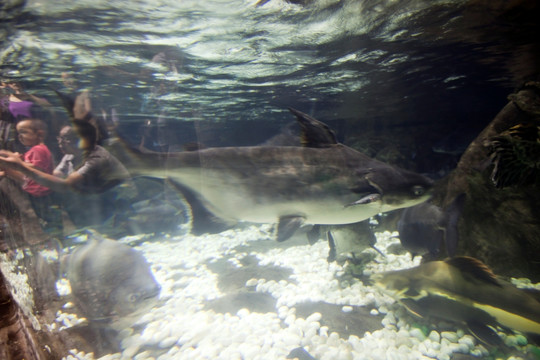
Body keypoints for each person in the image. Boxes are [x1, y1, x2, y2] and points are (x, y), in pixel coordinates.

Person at [0, 120, 134, 228]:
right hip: (89, 206)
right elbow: (52, 178)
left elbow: (64, 185)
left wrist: (19, 166)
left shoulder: (96, 157)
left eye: (66, 138)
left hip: (113, 207)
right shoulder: (69, 157)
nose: (60, 142)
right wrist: (16, 162)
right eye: (60, 138)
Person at [0, 118, 61, 235]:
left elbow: (36, 169)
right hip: (36, 194)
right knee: (44, 221)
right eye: (18, 133)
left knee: (49, 221)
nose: (19, 136)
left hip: (43, 194)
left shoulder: (38, 149)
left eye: (23, 132)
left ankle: (57, 239)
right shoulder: (33, 150)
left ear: (39, 134)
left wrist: (19, 162)